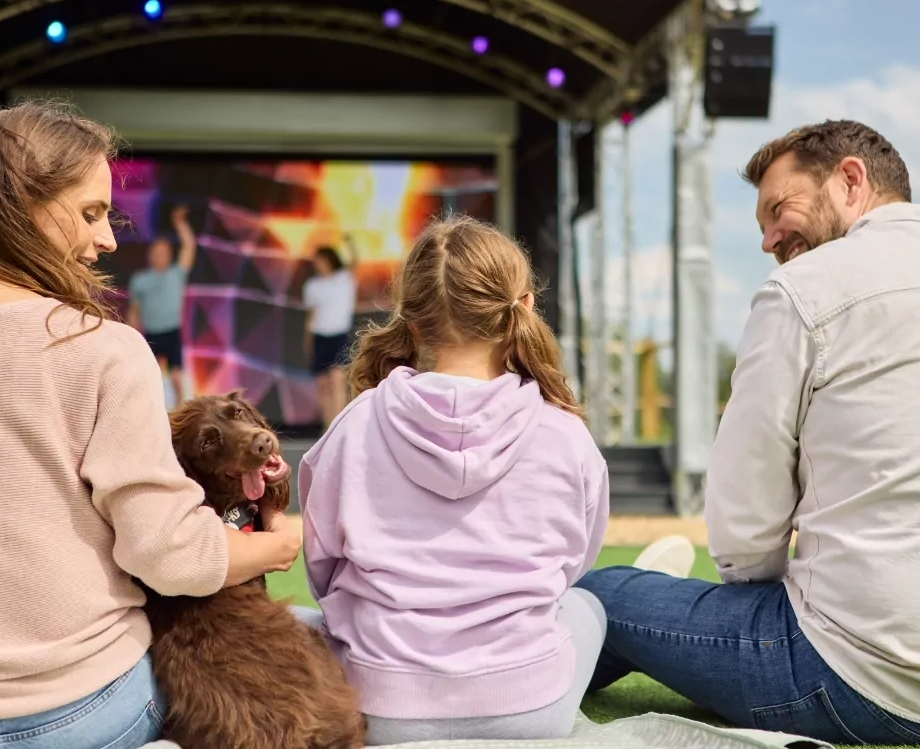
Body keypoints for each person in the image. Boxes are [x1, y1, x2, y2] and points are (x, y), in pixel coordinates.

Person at [0, 101, 302, 748]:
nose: (109, 240)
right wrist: (274, 547)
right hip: (78, 712)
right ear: (18, 208)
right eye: (90, 213)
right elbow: (169, 557)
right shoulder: (101, 348)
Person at [576, 119, 920, 745]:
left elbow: (745, 526)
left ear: (850, 179)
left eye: (777, 209)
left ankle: (506, 678)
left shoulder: (805, 289)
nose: (766, 241)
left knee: (603, 593)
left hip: (861, 678)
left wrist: (750, 578)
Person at [298, 215, 610, 745]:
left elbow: (322, 571)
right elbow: (574, 564)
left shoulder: (352, 427)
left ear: (411, 322)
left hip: (378, 709)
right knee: (588, 605)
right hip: (531, 713)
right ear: (525, 308)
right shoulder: (566, 434)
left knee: (301, 622)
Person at [127, 205, 196, 407]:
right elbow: (134, 310)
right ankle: (151, 413)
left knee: (176, 377)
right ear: (151, 254)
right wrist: (134, 337)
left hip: (172, 333)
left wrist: (179, 223)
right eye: (156, 251)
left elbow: (189, 246)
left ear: (169, 255)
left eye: (164, 251)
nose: (159, 255)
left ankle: (182, 414)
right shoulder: (140, 280)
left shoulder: (176, 274)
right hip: (151, 334)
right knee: (150, 378)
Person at [302, 236, 357, 429]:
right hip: (319, 336)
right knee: (323, 385)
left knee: (338, 381)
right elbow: (311, 316)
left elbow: (354, 261)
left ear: (328, 259)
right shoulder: (312, 286)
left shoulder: (345, 279)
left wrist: (350, 243)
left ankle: (340, 426)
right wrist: (308, 340)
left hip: (338, 335)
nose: (315, 263)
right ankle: (327, 428)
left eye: (318, 258)